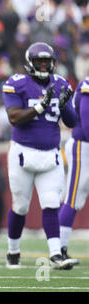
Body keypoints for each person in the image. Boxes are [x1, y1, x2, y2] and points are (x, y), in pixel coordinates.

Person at [2, 42, 77, 270]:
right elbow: (14, 117)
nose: (44, 65)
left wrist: (65, 107)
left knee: (52, 203)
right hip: (23, 154)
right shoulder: (17, 83)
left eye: (47, 61)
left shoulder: (61, 83)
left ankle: (55, 254)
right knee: (21, 207)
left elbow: (72, 122)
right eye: (39, 61)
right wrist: (39, 107)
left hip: (51, 155)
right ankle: (13, 251)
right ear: (30, 63)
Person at [58, 75, 89, 265]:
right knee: (74, 197)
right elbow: (86, 124)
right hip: (83, 147)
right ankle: (59, 249)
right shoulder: (87, 85)